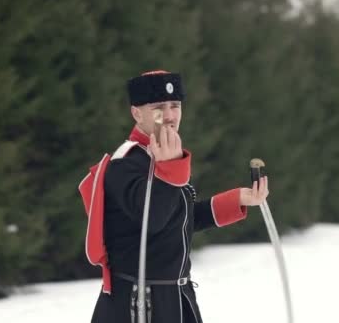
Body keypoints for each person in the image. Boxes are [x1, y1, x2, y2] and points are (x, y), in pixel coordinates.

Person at [79, 70, 269, 323]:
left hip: (177, 297)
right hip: (137, 305)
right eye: (158, 107)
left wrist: (236, 200)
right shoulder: (124, 165)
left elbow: (178, 219)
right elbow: (154, 219)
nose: (169, 116)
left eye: (175, 105)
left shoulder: (164, 159)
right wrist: (170, 169)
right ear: (137, 113)